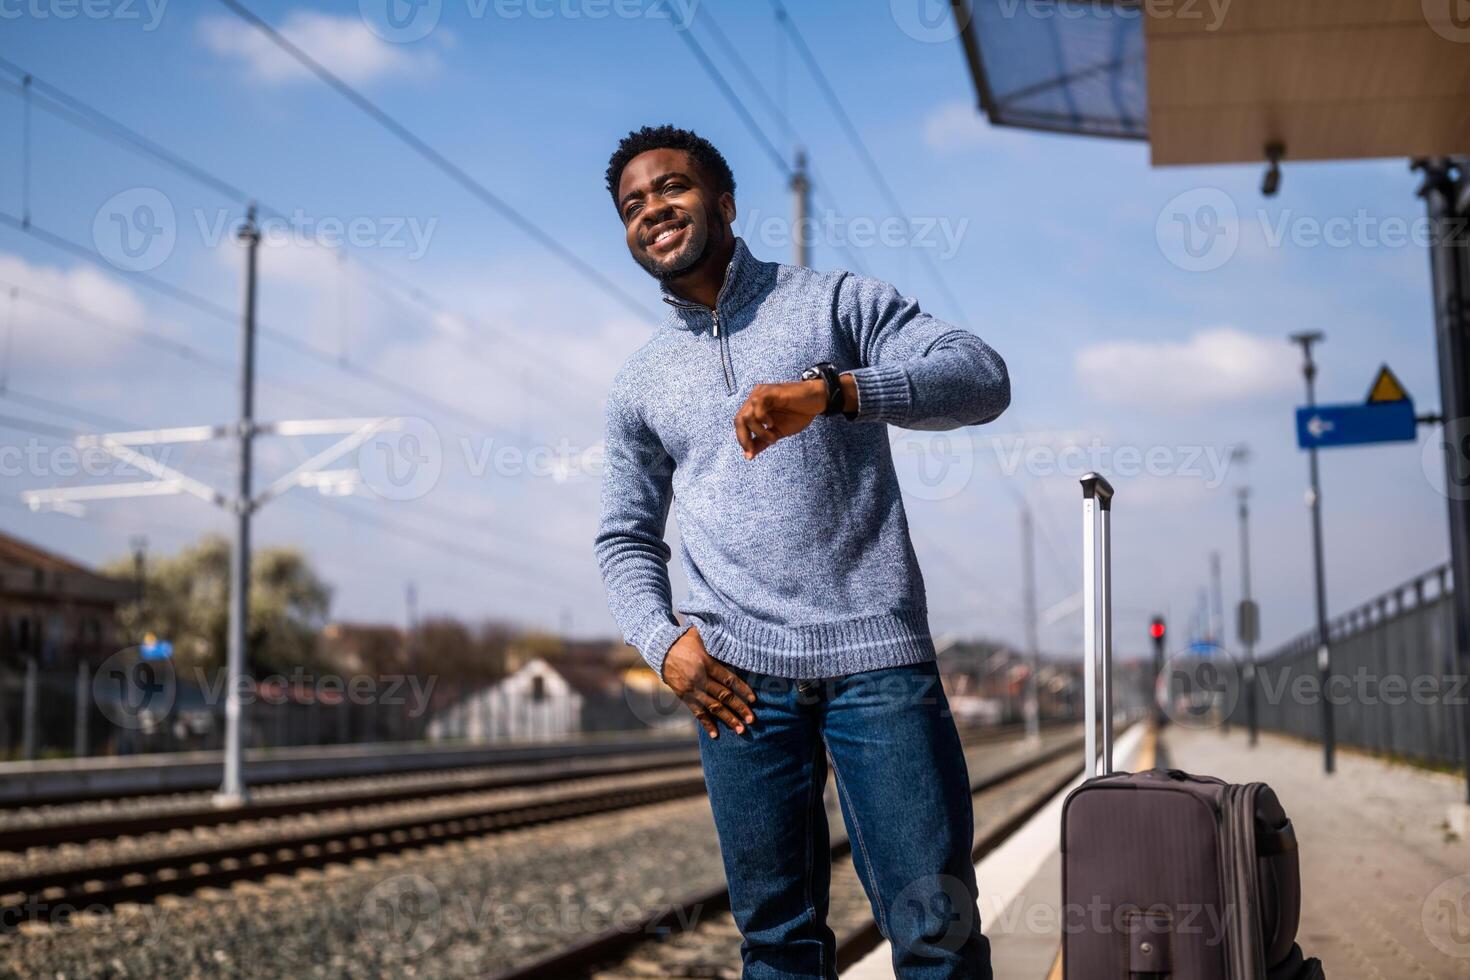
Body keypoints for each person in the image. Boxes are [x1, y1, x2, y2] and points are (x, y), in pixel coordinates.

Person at [595, 124, 1010, 979]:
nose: (653, 211)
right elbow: (625, 535)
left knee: (937, 931)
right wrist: (662, 642)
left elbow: (980, 376)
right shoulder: (637, 383)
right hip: (740, 685)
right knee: (778, 947)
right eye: (633, 205)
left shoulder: (833, 302)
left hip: (879, 663)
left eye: (670, 188)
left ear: (726, 203)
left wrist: (837, 392)